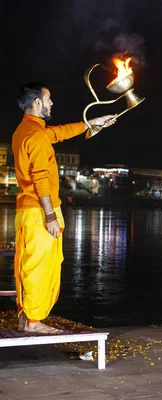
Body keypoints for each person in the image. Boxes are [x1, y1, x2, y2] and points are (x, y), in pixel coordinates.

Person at [12, 82, 116, 334]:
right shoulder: (35, 135)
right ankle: (34, 322)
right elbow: (40, 179)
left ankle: (27, 318)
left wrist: (93, 123)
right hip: (39, 212)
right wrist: (49, 215)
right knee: (39, 265)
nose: (51, 104)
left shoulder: (27, 130)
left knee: (29, 263)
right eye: (48, 99)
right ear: (37, 102)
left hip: (30, 211)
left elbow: (60, 132)